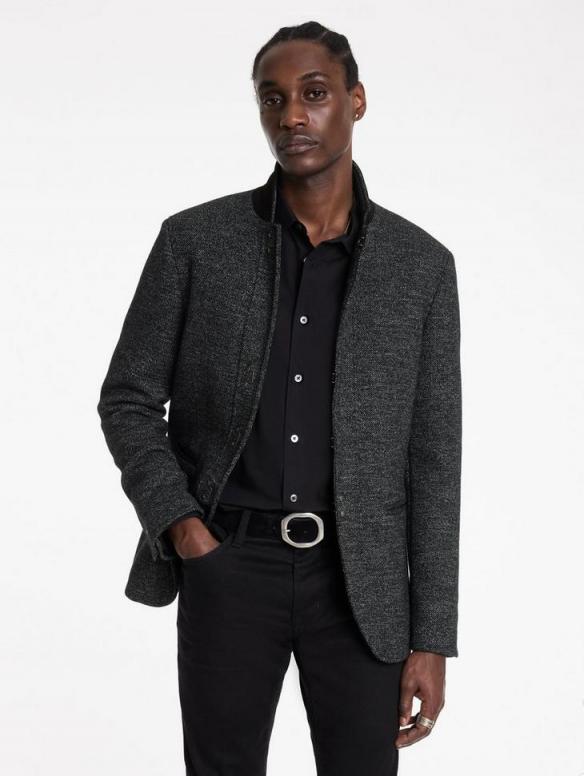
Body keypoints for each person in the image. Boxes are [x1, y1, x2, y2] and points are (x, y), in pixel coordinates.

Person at [97, 20, 462, 776]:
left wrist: (432, 635)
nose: (292, 115)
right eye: (273, 98)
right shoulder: (195, 242)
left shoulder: (421, 267)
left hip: (361, 587)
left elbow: (433, 461)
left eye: (314, 94)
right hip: (229, 566)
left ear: (356, 101)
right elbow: (128, 398)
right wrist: (182, 527)